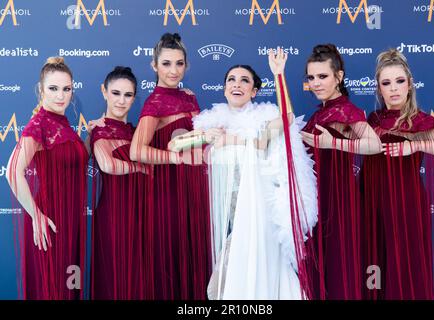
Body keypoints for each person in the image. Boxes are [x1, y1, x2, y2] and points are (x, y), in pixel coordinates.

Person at [171, 48, 318, 299]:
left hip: (257, 217)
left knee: (234, 284)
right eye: (231, 80)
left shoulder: (262, 121)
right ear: (225, 88)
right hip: (229, 219)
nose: (237, 84)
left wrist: (279, 75)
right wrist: (204, 136)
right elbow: (175, 145)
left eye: (244, 80)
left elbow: (287, 118)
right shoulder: (213, 122)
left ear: (254, 91)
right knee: (224, 286)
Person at [129, 33, 212, 299]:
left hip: (195, 190)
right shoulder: (155, 102)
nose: (173, 70)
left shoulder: (190, 98)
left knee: (196, 258)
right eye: (166, 64)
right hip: (169, 193)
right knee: (172, 260)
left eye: (179, 63)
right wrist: (175, 158)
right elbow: (136, 151)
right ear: (154, 66)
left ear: (186, 65)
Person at [362, 49, 434, 300]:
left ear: (410, 85)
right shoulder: (373, 118)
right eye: (386, 83)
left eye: (399, 81)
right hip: (373, 201)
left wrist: (416, 145)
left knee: (406, 263)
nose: (394, 88)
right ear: (379, 89)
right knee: (375, 262)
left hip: (406, 203)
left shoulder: (421, 121)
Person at [300, 44, 382, 300]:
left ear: (339, 76)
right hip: (318, 199)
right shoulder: (320, 113)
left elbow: (374, 145)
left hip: (338, 199)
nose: (315, 83)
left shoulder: (345, 110)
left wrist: (332, 143)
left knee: (338, 267)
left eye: (322, 76)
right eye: (311, 77)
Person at [6, 57, 89, 299]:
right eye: (53, 89)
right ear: (41, 90)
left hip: (69, 219)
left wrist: (91, 136)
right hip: (50, 221)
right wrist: (36, 214)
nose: (60, 96)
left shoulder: (62, 124)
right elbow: (12, 171)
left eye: (66, 89)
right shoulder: (39, 124)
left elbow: (71, 161)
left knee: (66, 289)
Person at [90, 66, 149, 299]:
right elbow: (107, 165)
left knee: (140, 276)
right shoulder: (99, 129)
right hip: (114, 213)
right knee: (115, 277)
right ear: (104, 92)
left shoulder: (137, 132)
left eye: (128, 95)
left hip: (143, 211)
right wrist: (141, 167)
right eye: (116, 93)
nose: (121, 101)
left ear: (134, 98)